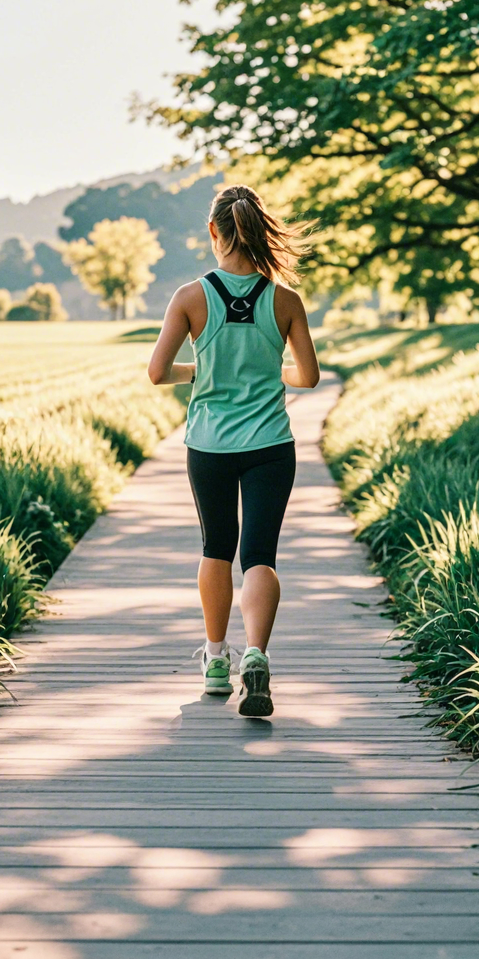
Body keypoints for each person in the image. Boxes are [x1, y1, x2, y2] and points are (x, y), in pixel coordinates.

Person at [147, 184, 320, 717]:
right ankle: (258, 658)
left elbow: (157, 373)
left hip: (210, 444)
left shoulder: (190, 296)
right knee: (260, 555)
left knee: (216, 547)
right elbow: (308, 377)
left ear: (215, 232)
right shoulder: (285, 299)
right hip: (271, 444)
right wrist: (273, 371)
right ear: (259, 231)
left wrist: (202, 370)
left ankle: (217, 660)